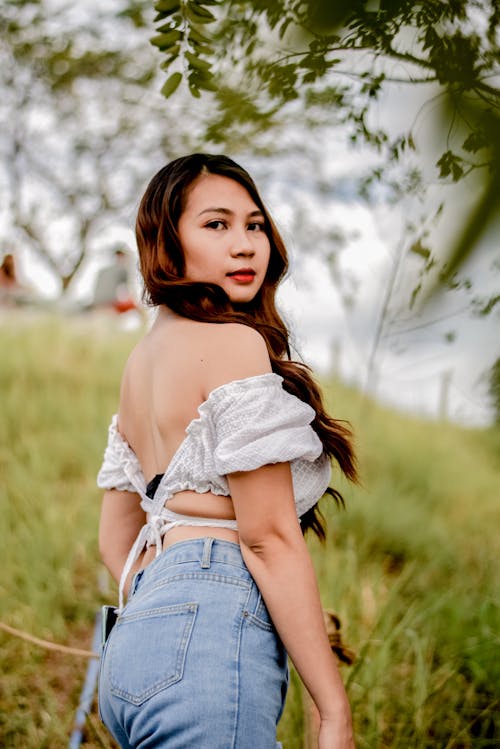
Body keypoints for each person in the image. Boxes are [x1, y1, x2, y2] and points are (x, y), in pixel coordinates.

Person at [96, 154, 358, 748]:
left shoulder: (139, 365)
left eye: (255, 225)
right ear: (166, 240)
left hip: (133, 654)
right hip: (209, 640)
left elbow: (115, 542)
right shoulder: (235, 344)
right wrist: (332, 709)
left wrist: (166, 605)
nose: (244, 245)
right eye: (216, 225)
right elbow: (267, 538)